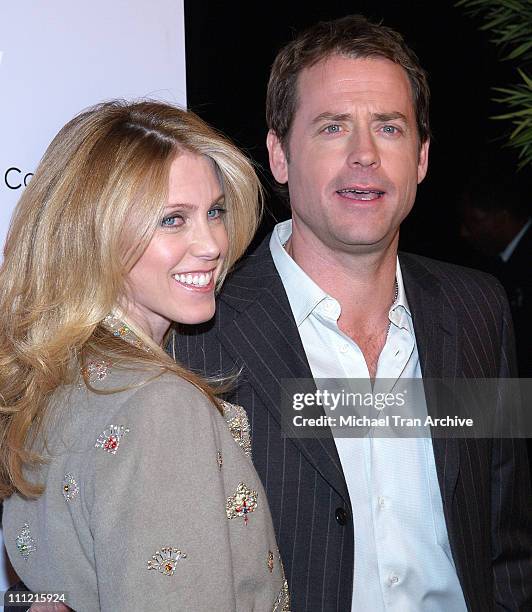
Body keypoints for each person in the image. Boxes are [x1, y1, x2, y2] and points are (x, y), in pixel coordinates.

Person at [172, 15, 532, 611]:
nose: (364, 155)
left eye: (388, 128)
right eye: (334, 127)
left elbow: (507, 545)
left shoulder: (478, 310)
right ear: (279, 156)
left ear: (420, 159)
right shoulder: (199, 332)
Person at [0, 101, 290, 611]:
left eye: (214, 212)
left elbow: (44, 589)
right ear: (97, 232)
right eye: (173, 219)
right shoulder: (159, 406)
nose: (211, 244)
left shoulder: (52, 377)